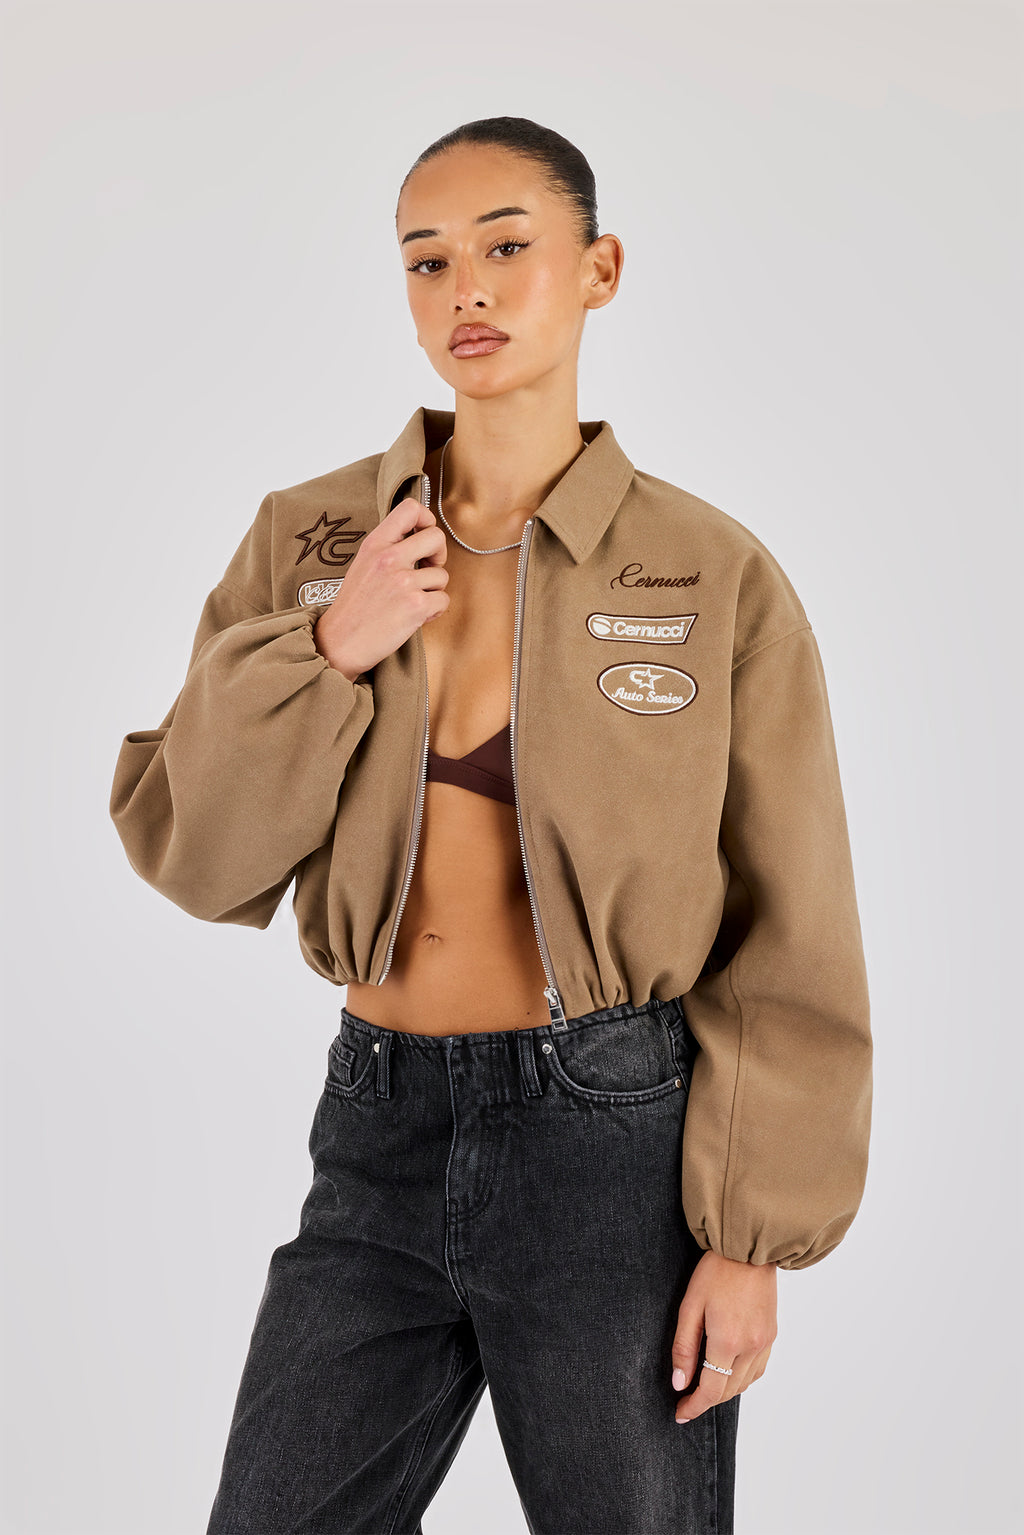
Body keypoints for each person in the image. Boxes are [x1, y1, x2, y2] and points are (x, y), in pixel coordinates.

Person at [109, 115, 872, 1535]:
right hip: (376, 1126)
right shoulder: (311, 540)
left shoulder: (710, 572)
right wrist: (326, 649)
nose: (465, 288)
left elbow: (792, 922)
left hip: (612, 1144)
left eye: (507, 247)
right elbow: (190, 853)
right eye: (426, 260)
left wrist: (752, 1239)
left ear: (600, 270)